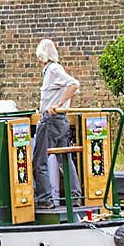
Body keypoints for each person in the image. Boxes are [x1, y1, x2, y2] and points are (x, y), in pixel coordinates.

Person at [32, 39, 81, 209]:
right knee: (65, 159)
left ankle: (45, 199)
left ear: (42, 56)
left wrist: (58, 105)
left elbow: (74, 84)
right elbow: (71, 88)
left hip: (51, 121)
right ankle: (75, 197)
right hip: (61, 122)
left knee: (39, 161)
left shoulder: (53, 69)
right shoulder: (53, 70)